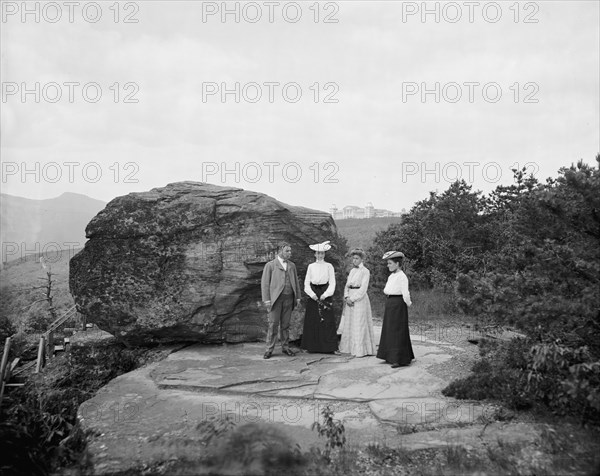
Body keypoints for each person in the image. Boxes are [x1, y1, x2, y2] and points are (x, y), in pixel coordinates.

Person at [261, 242, 301, 359]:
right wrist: (267, 300)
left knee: (285, 325)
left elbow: (296, 282)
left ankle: (285, 347)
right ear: (280, 251)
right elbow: (265, 284)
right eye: (287, 251)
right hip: (275, 300)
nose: (290, 253)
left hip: (289, 298)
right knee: (273, 324)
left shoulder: (292, 266)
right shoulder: (271, 265)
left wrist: (297, 296)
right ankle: (269, 349)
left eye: (290, 251)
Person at [376, 251, 415, 368]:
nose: (388, 265)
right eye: (387, 263)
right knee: (389, 329)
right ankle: (388, 355)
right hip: (390, 303)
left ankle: (398, 359)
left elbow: (405, 293)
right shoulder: (391, 276)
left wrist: (408, 303)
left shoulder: (402, 276)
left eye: (390, 263)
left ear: (397, 264)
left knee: (398, 330)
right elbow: (386, 289)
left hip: (398, 304)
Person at [300, 240, 339, 354]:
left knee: (327, 320)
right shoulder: (311, 266)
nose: (320, 255)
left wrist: (325, 294)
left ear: (324, 254)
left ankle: (330, 347)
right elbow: (306, 283)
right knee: (312, 319)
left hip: (324, 292)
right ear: (315, 254)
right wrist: (312, 295)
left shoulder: (329, 266)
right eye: (318, 253)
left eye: (322, 253)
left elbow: (332, 282)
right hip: (313, 292)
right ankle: (310, 346)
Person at [337, 249, 376, 357]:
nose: (354, 260)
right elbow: (347, 285)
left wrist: (353, 299)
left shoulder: (365, 271)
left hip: (359, 299)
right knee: (349, 323)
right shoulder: (352, 271)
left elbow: (363, 288)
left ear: (361, 259)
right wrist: (346, 296)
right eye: (353, 258)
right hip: (350, 297)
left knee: (359, 323)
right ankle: (348, 348)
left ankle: (360, 350)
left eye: (357, 258)